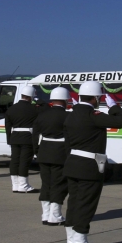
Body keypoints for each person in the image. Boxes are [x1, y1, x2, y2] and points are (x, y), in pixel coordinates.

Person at [62, 81, 122, 243]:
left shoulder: (71, 115)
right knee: (86, 205)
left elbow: (68, 143)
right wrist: (113, 105)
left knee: (74, 204)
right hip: (89, 167)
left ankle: (71, 242)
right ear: (96, 98)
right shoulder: (93, 115)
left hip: (72, 164)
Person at [32, 87, 70, 226]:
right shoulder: (68, 116)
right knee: (58, 185)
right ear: (65, 101)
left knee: (46, 184)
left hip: (44, 153)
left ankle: (45, 214)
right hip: (60, 154)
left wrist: (37, 151)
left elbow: (35, 136)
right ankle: (55, 216)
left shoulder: (41, 116)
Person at [5, 85, 39, 193]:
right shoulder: (34, 109)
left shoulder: (11, 109)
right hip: (27, 137)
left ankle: (15, 185)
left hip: (14, 137)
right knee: (24, 161)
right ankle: (23, 185)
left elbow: (7, 126)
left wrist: (9, 140)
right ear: (30, 97)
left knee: (15, 161)